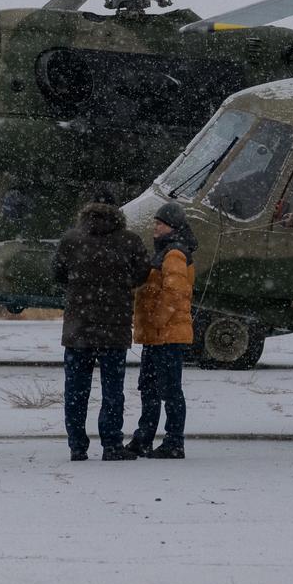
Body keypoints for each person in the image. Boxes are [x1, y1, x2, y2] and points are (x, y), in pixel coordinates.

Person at [51, 185, 151, 462]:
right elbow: (143, 272)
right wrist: (121, 286)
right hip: (114, 326)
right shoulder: (129, 240)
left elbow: (57, 273)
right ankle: (111, 444)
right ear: (117, 210)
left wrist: (78, 291)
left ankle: (77, 445)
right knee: (112, 390)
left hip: (77, 328)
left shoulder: (71, 239)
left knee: (75, 390)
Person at [127, 201, 196, 459]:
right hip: (158, 337)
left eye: (160, 223)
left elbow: (175, 292)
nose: (155, 227)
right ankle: (144, 437)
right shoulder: (165, 251)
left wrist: (157, 320)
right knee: (150, 388)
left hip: (167, 335)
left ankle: (174, 442)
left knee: (169, 390)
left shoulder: (175, 253)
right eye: (156, 222)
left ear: (172, 227)